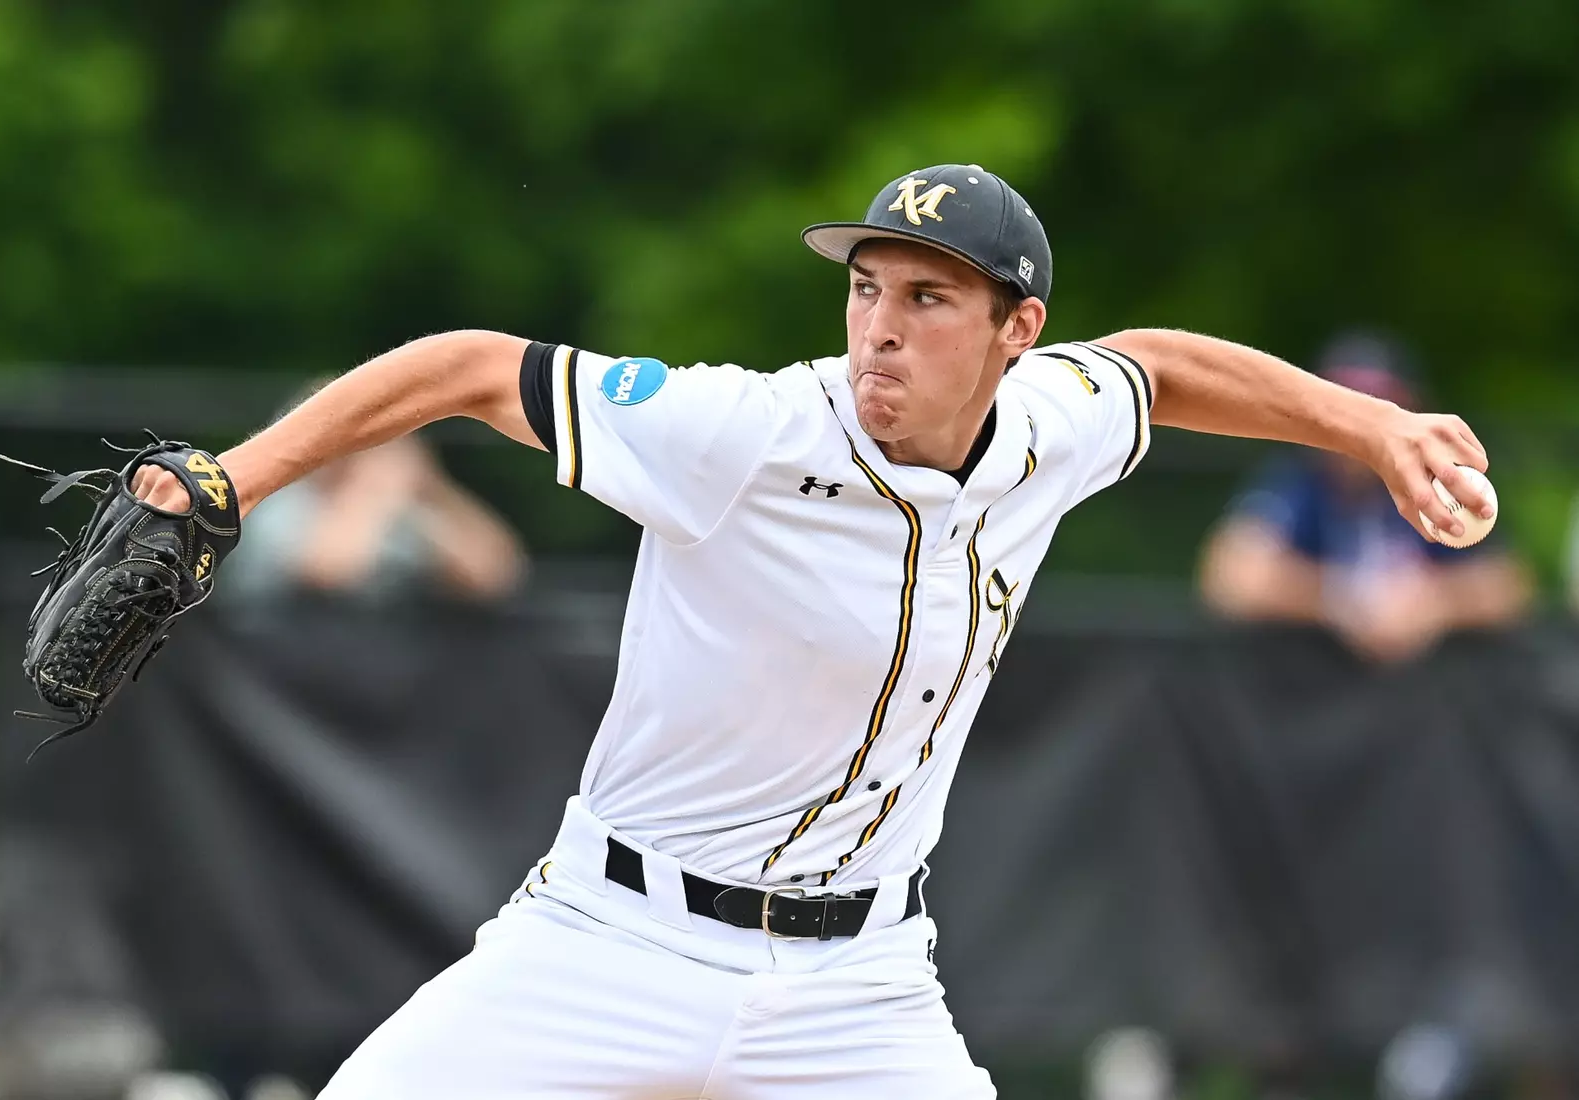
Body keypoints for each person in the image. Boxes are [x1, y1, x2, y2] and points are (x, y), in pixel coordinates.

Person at [129, 164, 1494, 1097]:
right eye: (866, 287)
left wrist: (1370, 427)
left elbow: (1163, 365)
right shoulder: (746, 430)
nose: (877, 328)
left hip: (859, 985)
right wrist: (231, 482)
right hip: (615, 937)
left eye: (927, 298)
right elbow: (469, 369)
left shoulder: (1049, 428)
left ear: (1017, 331)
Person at [1198, 334, 1529, 664]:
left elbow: (1508, 587)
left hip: (1429, 686)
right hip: (1308, 681)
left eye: (1380, 403)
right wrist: (1343, 599)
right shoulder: (1297, 477)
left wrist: (1436, 601)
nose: (1361, 423)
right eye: (1347, 402)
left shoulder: (1439, 481)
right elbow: (1233, 577)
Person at [223, 428, 528, 606]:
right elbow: (327, 574)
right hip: (278, 679)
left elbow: (494, 575)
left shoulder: (398, 508)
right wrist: (373, 494)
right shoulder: (283, 503)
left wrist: (432, 489)